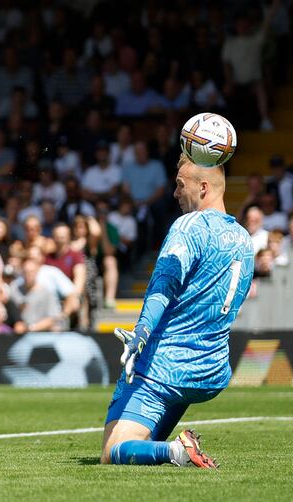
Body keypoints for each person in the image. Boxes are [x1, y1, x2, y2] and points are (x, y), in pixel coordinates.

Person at [101, 154, 254, 468]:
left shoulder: (189, 225)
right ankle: (166, 447)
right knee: (139, 445)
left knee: (113, 452)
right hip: (211, 371)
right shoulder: (244, 239)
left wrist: (141, 333)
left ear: (202, 187)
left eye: (179, 185)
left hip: (165, 368)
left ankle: (177, 452)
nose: (174, 193)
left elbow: (163, 285)